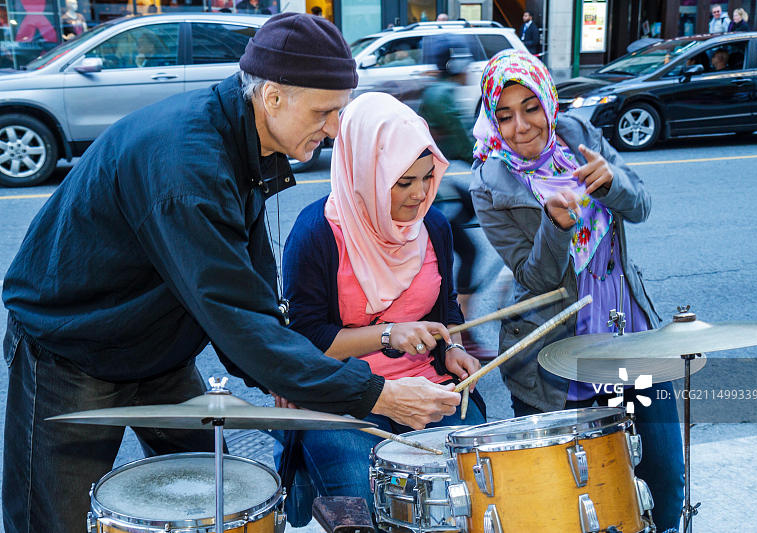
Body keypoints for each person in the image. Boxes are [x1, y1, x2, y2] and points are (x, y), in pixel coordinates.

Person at [1, 13, 461, 533]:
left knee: (214, 500)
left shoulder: (243, 137)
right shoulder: (188, 166)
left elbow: (253, 288)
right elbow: (236, 317)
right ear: (272, 98)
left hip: (158, 346)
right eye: (325, 112)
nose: (336, 130)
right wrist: (377, 395)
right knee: (52, 521)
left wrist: (285, 368)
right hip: (74, 348)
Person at [469, 50, 685, 533]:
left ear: (549, 103)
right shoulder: (488, 182)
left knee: (666, 479)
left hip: (631, 339)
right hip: (558, 363)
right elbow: (536, 277)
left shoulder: (579, 137)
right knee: (583, 502)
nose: (521, 126)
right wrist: (554, 225)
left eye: (531, 108)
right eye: (504, 115)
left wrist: (611, 184)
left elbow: (641, 204)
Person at [274, 91, 485, 525]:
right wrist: (389, 334)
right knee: (368, 512)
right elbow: (305, 342)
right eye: (403, 183)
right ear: (365, 173)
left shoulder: (434, 227)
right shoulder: (316, 234)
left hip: (429, 389)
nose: (420, 194)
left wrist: (452, 350)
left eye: (427, 177)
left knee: (475, 498)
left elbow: (446, 310)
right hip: (344, 401)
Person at [418, 34, 491, 357]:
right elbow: (464, 146)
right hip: (435, 190)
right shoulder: (443, 93)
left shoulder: (437, 90)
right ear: (456, 62)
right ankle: (460, 331)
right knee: (466, 252)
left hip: (439, 186)